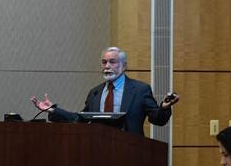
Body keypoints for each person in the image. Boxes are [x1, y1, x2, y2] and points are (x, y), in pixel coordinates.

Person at [31, 46, 179, 137]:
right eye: (104, 62)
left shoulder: (140, 90)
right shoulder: (95, 93)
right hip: (100, 152)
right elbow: (80, 120)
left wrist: (164, 107)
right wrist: (53, 110)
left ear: (124, 66)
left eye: (112, 62)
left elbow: (157, 119)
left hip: (132, 153)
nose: (107, 66)